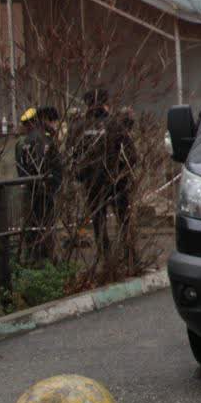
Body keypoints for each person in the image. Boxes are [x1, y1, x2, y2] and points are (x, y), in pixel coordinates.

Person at [71, 88, 137, 268]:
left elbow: (72, 155)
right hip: (115, 182)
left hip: (90, 183)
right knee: (123, 218)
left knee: (98, 221)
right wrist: (123, 174)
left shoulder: (78, 127)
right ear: (105, 103)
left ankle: (105, 257)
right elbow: (131, 154)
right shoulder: (114, 125)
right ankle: (129, 255)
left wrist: (81, 176)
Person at [15, 106, 63, 263]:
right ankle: (48, 261)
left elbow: (20, 167)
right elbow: (56, 166)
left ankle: (33, 258)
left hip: (30, 189)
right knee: (46, 225)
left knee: (32, 226)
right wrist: (54, 187)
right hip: (45, 190)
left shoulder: (24, 141)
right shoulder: (46, 139)